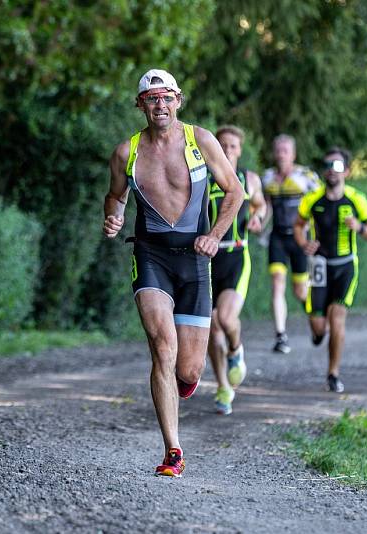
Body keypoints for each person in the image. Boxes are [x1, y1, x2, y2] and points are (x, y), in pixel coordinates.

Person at [103, 69, 243, 477]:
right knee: (162, 348)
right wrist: (113, 218)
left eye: (166, 98)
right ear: (140, 105)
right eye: (151, 99)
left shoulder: (201, 141)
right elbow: (115, 197)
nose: (159, 106)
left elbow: (234, 191)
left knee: (188, 369)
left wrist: (215, 236)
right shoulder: (125, 152)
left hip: (196, 258)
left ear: (178, 100)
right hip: (151, 256)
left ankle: (184, 381)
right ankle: (173, 451)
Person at [293, 147, 367, 393]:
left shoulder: (357, 199)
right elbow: (298, 226)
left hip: (345, 266)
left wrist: (360, 228)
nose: (332, 170)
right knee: (319, 328)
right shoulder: (312, 199)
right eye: (328, 165)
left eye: (338, 166)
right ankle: (314, 317)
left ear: (348, 171)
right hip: (319, 266)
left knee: (338, 316)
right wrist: (304, 243)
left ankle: (333, 373)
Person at [206, 125, 267, 415]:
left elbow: (260, 205)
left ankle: (236, 350)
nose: (228, 150)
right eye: (223, 145)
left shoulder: (248, 179)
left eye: (233, 146)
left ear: (239, 150)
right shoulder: (203, 180)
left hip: (235, 256)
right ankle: (222, 387)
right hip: (206, 260)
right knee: (209, 327)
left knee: (225, 318)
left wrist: (258, 219)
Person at [261, 134, 321, 354]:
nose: (281, 154)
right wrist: (259, 221)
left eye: (285, 150)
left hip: (300, 239)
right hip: (277, 237)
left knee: (300, 291)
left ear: (293, 154)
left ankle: (316, 320)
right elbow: (266, 206)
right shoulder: (267, 178)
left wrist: (317, 237)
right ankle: (280, 335)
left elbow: (321, 205)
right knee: (277, 282)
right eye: (278, 150)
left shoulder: (306, 176)